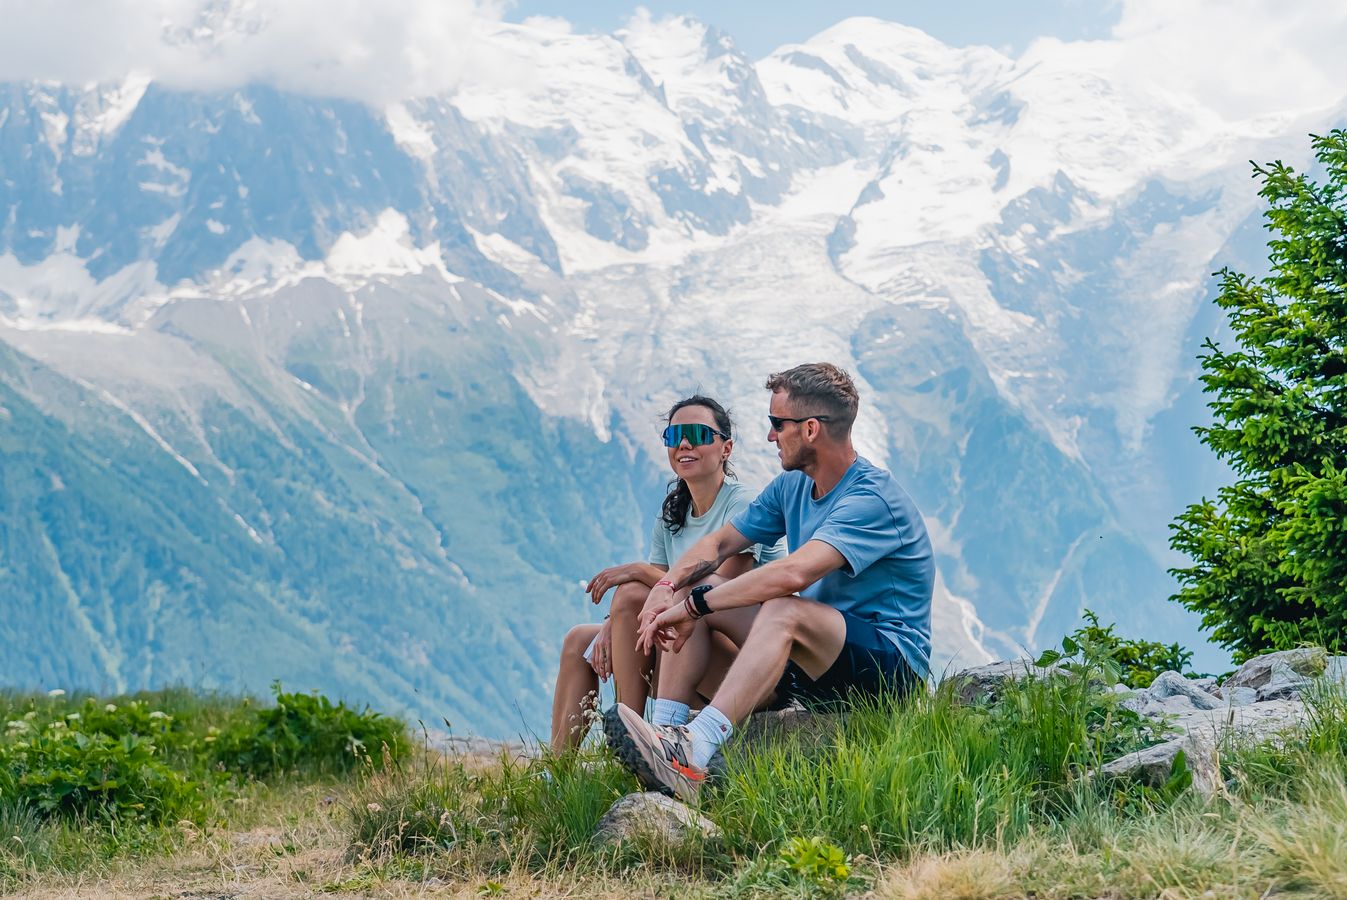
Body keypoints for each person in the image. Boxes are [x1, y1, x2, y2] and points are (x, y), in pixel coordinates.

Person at [605, 362, 934, 801]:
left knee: (776, 607)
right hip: (818, 660)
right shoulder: (792, 486)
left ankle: (695, 747)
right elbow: (719, 545)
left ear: (811, 429)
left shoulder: (870, 498)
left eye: (777, 424)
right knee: (692, 587)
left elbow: (793, 573)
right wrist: (669, 590)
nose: (770, 436)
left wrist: (696, 605)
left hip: (890, 669)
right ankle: (666, 740)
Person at [549, 395, 783, 752]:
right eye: (674, 437)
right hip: (686, 648)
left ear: (726, 448)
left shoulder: (742, 504)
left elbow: (726, 587)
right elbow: (654, 589)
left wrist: (634, 572)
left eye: (698, 434)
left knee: (637, 593)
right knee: (581, 640)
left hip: (747, 660)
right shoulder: (674, 514)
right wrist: (616, 621)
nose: (684, 444)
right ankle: (564, 766)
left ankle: (644, 734)